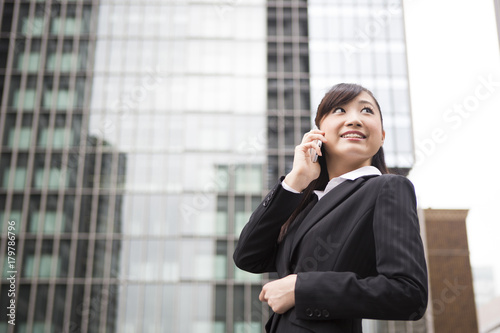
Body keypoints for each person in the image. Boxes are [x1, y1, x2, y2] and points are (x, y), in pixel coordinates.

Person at [233, 83, 428, 333]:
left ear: (382, 136)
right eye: (339, 110)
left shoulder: (387, 188)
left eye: (367, 111)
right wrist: (295, 181)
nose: (355, 120)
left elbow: (409, 294)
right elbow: (248, 256)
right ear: (319, 132)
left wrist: (301, 289)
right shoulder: (308, 204)